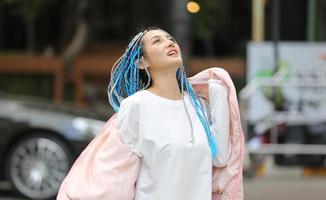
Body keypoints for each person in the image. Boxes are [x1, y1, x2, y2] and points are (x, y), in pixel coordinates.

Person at [57, 26, 244, 200]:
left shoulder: (198, 106)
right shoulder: (137, 106)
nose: (170, 43)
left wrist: (218, 87)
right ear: (142, 62)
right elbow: (111, 177)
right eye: (157, 41)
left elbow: (219, 158)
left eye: (170, 38)